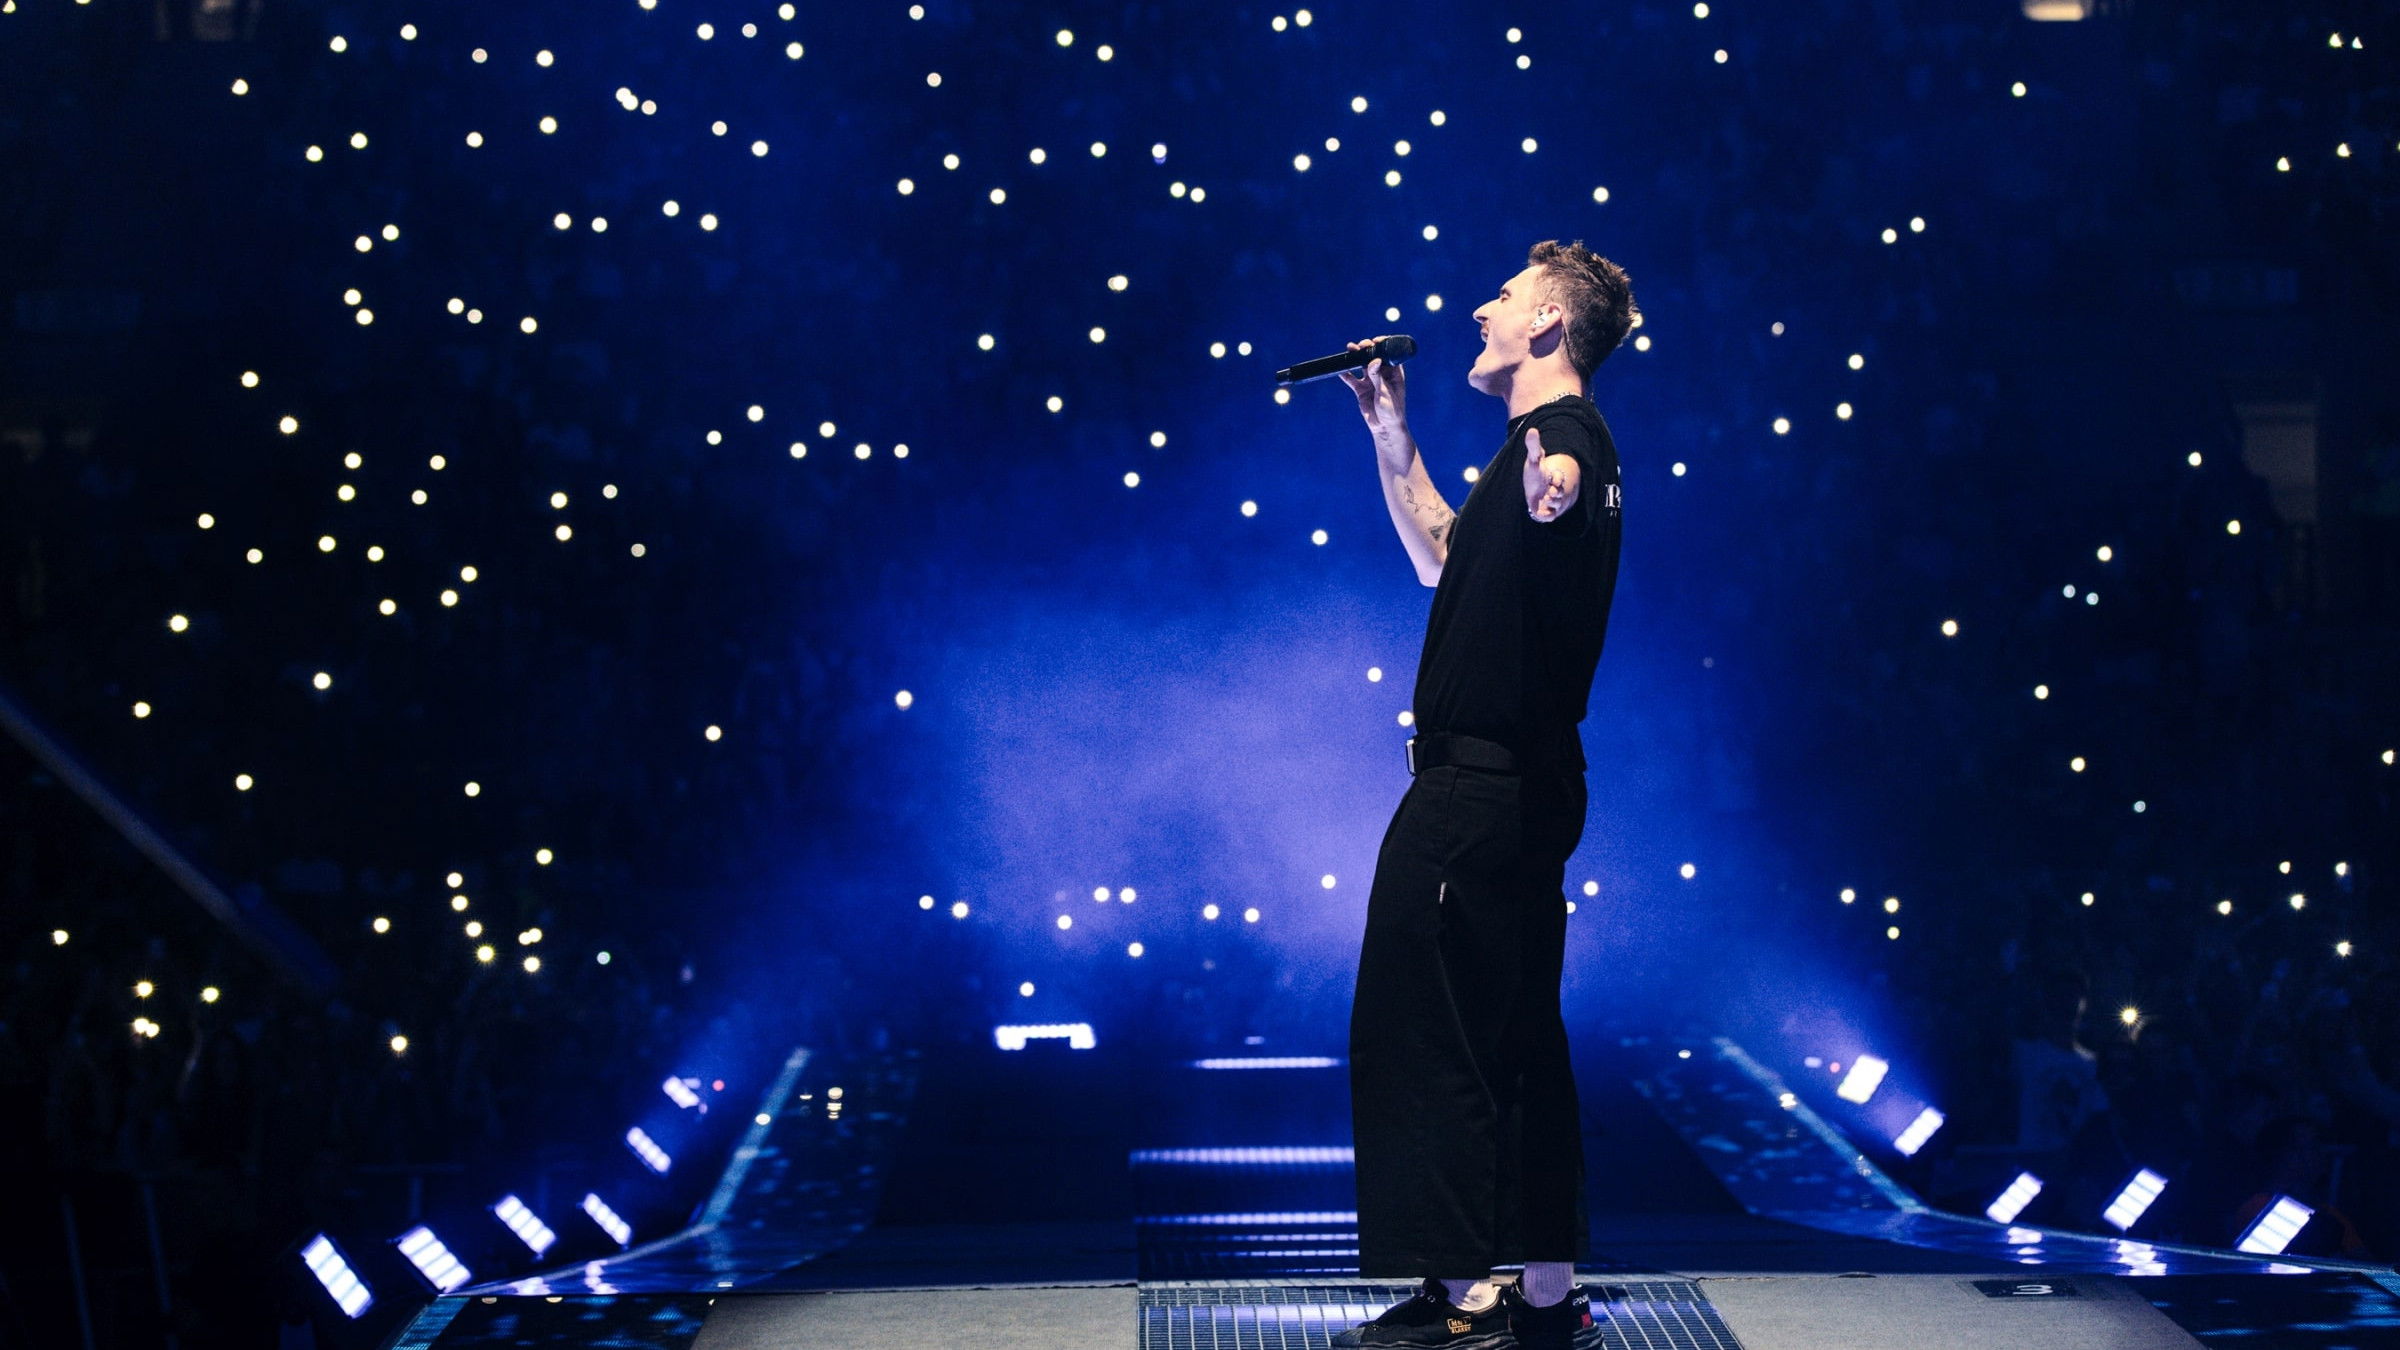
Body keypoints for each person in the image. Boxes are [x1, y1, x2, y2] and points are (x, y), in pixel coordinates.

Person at [1329, 240, 1635, 1350]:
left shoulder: (1559, 447)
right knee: (1515, 1033)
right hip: (1522, 786)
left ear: (1549, 323)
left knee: (1425, 1027)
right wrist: (1390, 436)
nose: (1477, 310)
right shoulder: (1532, 458)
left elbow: (1560, 482)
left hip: (1477, 791)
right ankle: (1549, 1295)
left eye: (1501, 299)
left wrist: (1553, 479)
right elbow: (1439, 557)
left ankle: (1461, 1296)